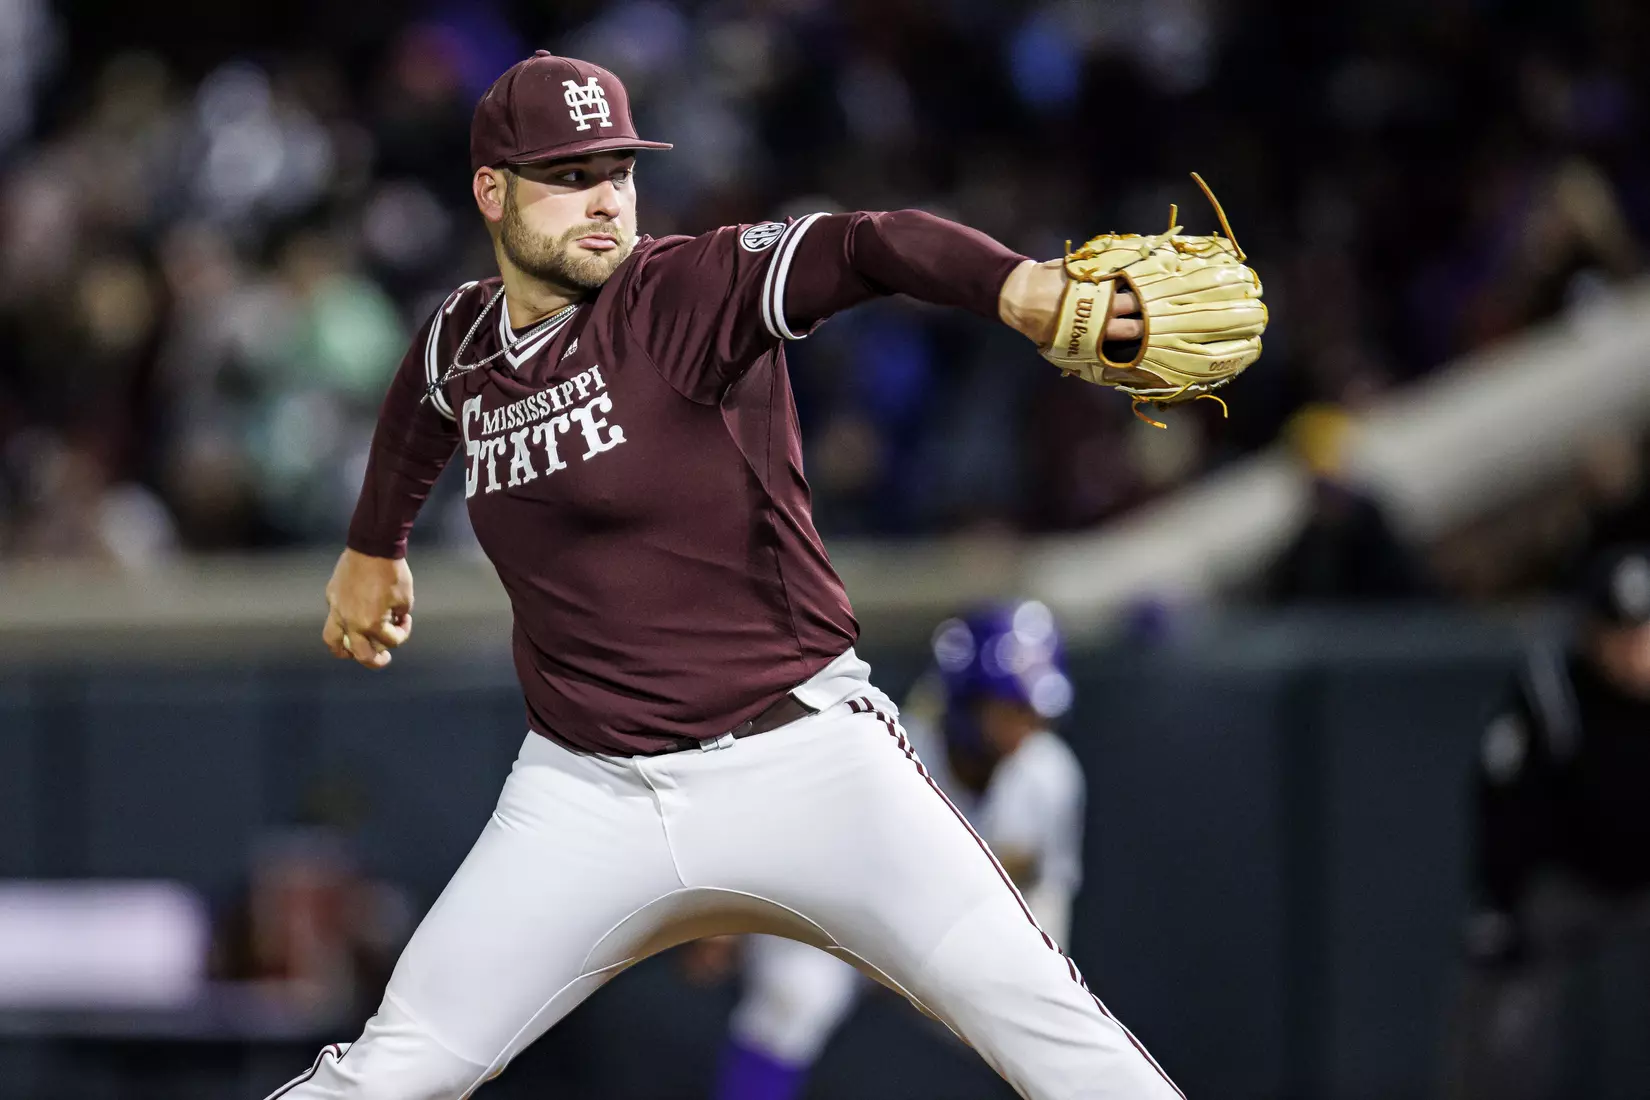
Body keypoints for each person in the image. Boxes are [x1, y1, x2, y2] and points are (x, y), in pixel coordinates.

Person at [272, 51, 1187, 1099]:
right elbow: (419, 406)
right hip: (588, 788)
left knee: (1053, 1032)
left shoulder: (684, 291)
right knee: (391, 1067)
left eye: (617, 170)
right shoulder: (463, 339)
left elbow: (863, 244)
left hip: (800, 754)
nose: (605, 200)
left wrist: (1017, 284)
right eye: (568, 176)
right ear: (492, 190)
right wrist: (372, 544)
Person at [701, 601, 1087, 1100]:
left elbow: (1046, 891)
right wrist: (728, 921)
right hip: (853, 913)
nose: (1026, 729)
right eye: (1011, 710)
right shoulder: (891, 750)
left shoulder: (1048, 776)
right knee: (791, 998)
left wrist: (1036, 981)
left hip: (954, 925)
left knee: (1042, 1026)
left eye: (1035, 714)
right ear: (968, 701)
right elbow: (797, 838)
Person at [1448, 546, 1650, 1099]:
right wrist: (1500, 903)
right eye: (1623, 633)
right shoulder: (1553, 691)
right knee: (1503, 985)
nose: (1638, 651)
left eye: (1647, 633)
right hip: (1566, 884)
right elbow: (1505, 805)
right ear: (1592, 632)